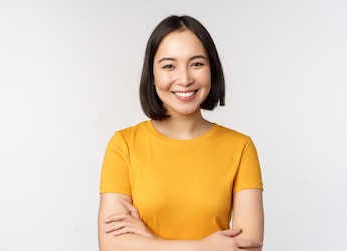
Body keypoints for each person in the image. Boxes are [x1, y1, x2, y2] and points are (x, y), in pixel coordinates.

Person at [97, 15, 264, 251]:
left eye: (196, 64)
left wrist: (151, 242)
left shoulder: (240, 147)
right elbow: (111, 246)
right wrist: (206, 247)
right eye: (168, 66)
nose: (185, 79)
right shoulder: (123, 145)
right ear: (152, 75)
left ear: (212, 69)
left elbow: (248, 248)